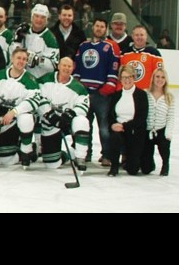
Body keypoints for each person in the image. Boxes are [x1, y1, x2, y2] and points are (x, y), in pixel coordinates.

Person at [22, 56, 90, 171]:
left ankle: (80, 156)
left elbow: (83, 105)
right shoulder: (44, 80)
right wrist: (49, 114)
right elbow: (38, 97)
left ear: (73, 68)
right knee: (51, 164)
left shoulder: (79, 87)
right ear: (58, 66)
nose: (66, 68)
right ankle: (66, 155)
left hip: (66, 122)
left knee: (82, 121)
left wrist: (71, 114)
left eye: (69, 66)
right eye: (64, 65)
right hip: (49, 123)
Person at [74, 17, 121, 166]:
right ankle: (85, 153)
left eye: (102, 26)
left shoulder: (110, 46)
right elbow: (77, 68)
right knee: (84, 125)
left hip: (102, 94)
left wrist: (109, 85)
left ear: (106, 29)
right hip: (85, 94)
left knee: (104, 127)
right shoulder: (83, 46)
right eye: (97, 26)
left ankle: (106, 155)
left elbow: (114, 67)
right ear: (93, 27)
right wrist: (78, 86)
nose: (99, 28)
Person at [0, 48, 40, 167]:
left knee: (26, 118)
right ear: (12, 59)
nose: (21, 61)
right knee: (6, 159)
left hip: (19, 116)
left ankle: (26, 150)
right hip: (5, 118)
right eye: (18, 58)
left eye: (24, 59)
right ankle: (27, 151)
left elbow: (33, 101)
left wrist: (14, 112)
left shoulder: (30, 80)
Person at [108, 65, 151, 176]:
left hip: (134, 132)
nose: (127, 80)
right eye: (124, 77)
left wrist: (124, 126)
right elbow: (110, 115)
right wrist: (113, 125)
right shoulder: (116, 95)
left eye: (129, 77)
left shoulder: (141, 95)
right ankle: (114, 167)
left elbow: (141, 118)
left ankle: (134, 159)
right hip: (119, 130)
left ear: (134, 77)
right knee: (114, 137)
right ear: (120, 79)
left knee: (133, 170)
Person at [10, 3, 59, 80]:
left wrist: (37, 60)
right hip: (21, 78)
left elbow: (53, 65)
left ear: (46, 20)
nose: (39, 20)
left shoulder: (50, 38)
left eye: (43, 17)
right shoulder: (24, 31)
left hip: (41, 80)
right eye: (36, 16)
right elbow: (12, 55)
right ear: (32, 17)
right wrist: (17, 40)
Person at [145, 68, 173, 176]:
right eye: (157, 76)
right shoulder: (146, 94)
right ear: (153, 78)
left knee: (164, 144)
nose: (160, 79)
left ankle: (165, 164)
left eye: (162, 77)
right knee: (146, 169)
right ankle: (149, 163)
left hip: (161, 130)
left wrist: (168, 133)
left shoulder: (169, 97)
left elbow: (170, 117)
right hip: (148, 131)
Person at [120, 25, 163, 90]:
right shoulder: (124, 53)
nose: (139, 37)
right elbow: (120, 75)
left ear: (146, 36)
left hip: (147, 93)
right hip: (128, 92)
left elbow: (159, 75)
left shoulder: (154, 54)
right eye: (137, 35)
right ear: (132, 36)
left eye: (142, 35)